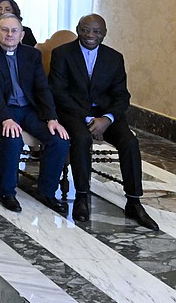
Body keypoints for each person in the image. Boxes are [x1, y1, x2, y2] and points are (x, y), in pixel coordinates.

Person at [49, 14, 158, 230]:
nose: (91, 35)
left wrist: (107, 119)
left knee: (129, 142)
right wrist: (90, 119)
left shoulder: (114, 58)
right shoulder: (61, 54)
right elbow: (58, 92)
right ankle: (81, 197)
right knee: (80, 139)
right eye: (86, 30)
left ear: (104, 33)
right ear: (78, 29)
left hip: (107, 115)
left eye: (97, 31)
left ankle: (134, 202)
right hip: (74, 113)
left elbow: (121, 95)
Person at [0, 14, 70, 214]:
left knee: (58, 140)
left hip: (28, 110)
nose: (9, 34)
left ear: (22, 34)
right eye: (4, 30)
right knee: (13, 137)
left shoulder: (32, 55)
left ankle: (46, 192)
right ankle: (7, 192)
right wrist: (5, 118)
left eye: (14, 30)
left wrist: (52, 118)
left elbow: (42, 88)